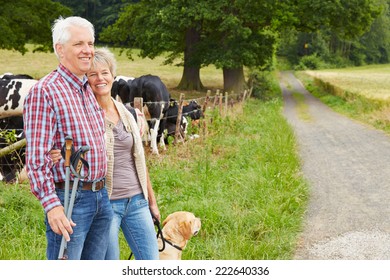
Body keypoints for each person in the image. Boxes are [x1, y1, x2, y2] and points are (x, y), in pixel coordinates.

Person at [50, 47, 161, 260]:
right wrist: (58, 154)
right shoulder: (81, 118)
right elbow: (68, 152)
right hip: (105, 203)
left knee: (151, 262)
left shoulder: (129, 113)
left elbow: (139, 160)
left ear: (113, 76)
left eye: (105, 73)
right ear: (86, 80)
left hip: (137, 201)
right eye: (92, 74)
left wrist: (152, 203)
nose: (100, 79)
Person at [23, 16, 113, 260]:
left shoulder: (87, 88)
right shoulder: (45, 92)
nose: (88, 51)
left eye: (91, 43)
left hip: (100, 197)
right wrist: (52, 205)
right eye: (79, 44)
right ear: (59, 49)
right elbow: (36, 158)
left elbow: (78, 144)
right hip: (70, 199)